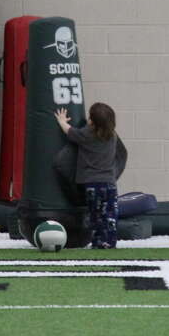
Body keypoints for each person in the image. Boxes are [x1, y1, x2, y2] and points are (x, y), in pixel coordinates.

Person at [55, 103, 126, 249]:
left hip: (92, 183)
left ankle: (97, 241)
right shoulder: (112, 135)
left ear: (92, 122)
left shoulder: (87, 135)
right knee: (110, 214)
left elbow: (70, 132)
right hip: (110, 183)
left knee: (96, 215)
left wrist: (62, 121)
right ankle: (109, 242)